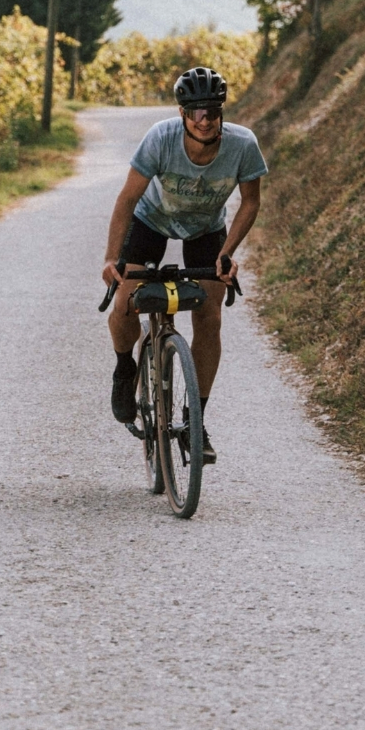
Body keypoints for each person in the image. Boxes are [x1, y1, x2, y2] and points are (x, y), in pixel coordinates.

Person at [99, 65, 266, 462]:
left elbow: (251, 202)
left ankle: (195, 420)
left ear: (221, 110)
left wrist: (227, 253)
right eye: (194, 111)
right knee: (125, 301)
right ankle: (125, 368)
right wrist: (112, 257)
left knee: (210, 315)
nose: (203, 119)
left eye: (210, 110)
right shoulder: (161, 139)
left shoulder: (243, 145)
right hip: (151, 221)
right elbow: (126, 200)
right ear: (182, 113)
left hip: (205, 229)